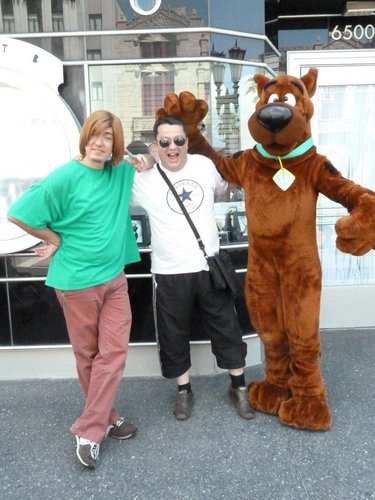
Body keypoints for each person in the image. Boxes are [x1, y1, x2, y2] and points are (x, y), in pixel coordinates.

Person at [7, 110, 150, 469]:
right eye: (97, 135)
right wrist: (54, 238)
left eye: (109, 138)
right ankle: (104, 421)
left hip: (114, 280)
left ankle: (90, 427)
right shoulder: (65, 176)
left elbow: (149, 157)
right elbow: (19, 213)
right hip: (76, 284)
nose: (101, 143)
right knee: (89, 357)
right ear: (85, 136)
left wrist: (147, 155)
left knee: (113, 354)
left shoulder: (118, 173)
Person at [131, 115, 255, 421]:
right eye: (164, 142)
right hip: (169, 271)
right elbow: (106, 173)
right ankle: (184, 391)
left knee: (227, 327)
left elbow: (225, 189)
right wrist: (145, 157)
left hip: (208, 264)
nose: (172, 147)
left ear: (187, 141)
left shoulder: (203, 165)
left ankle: (238, 387)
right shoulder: (141, 178)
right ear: (155, 145)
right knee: (173, 335)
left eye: (178, 140)